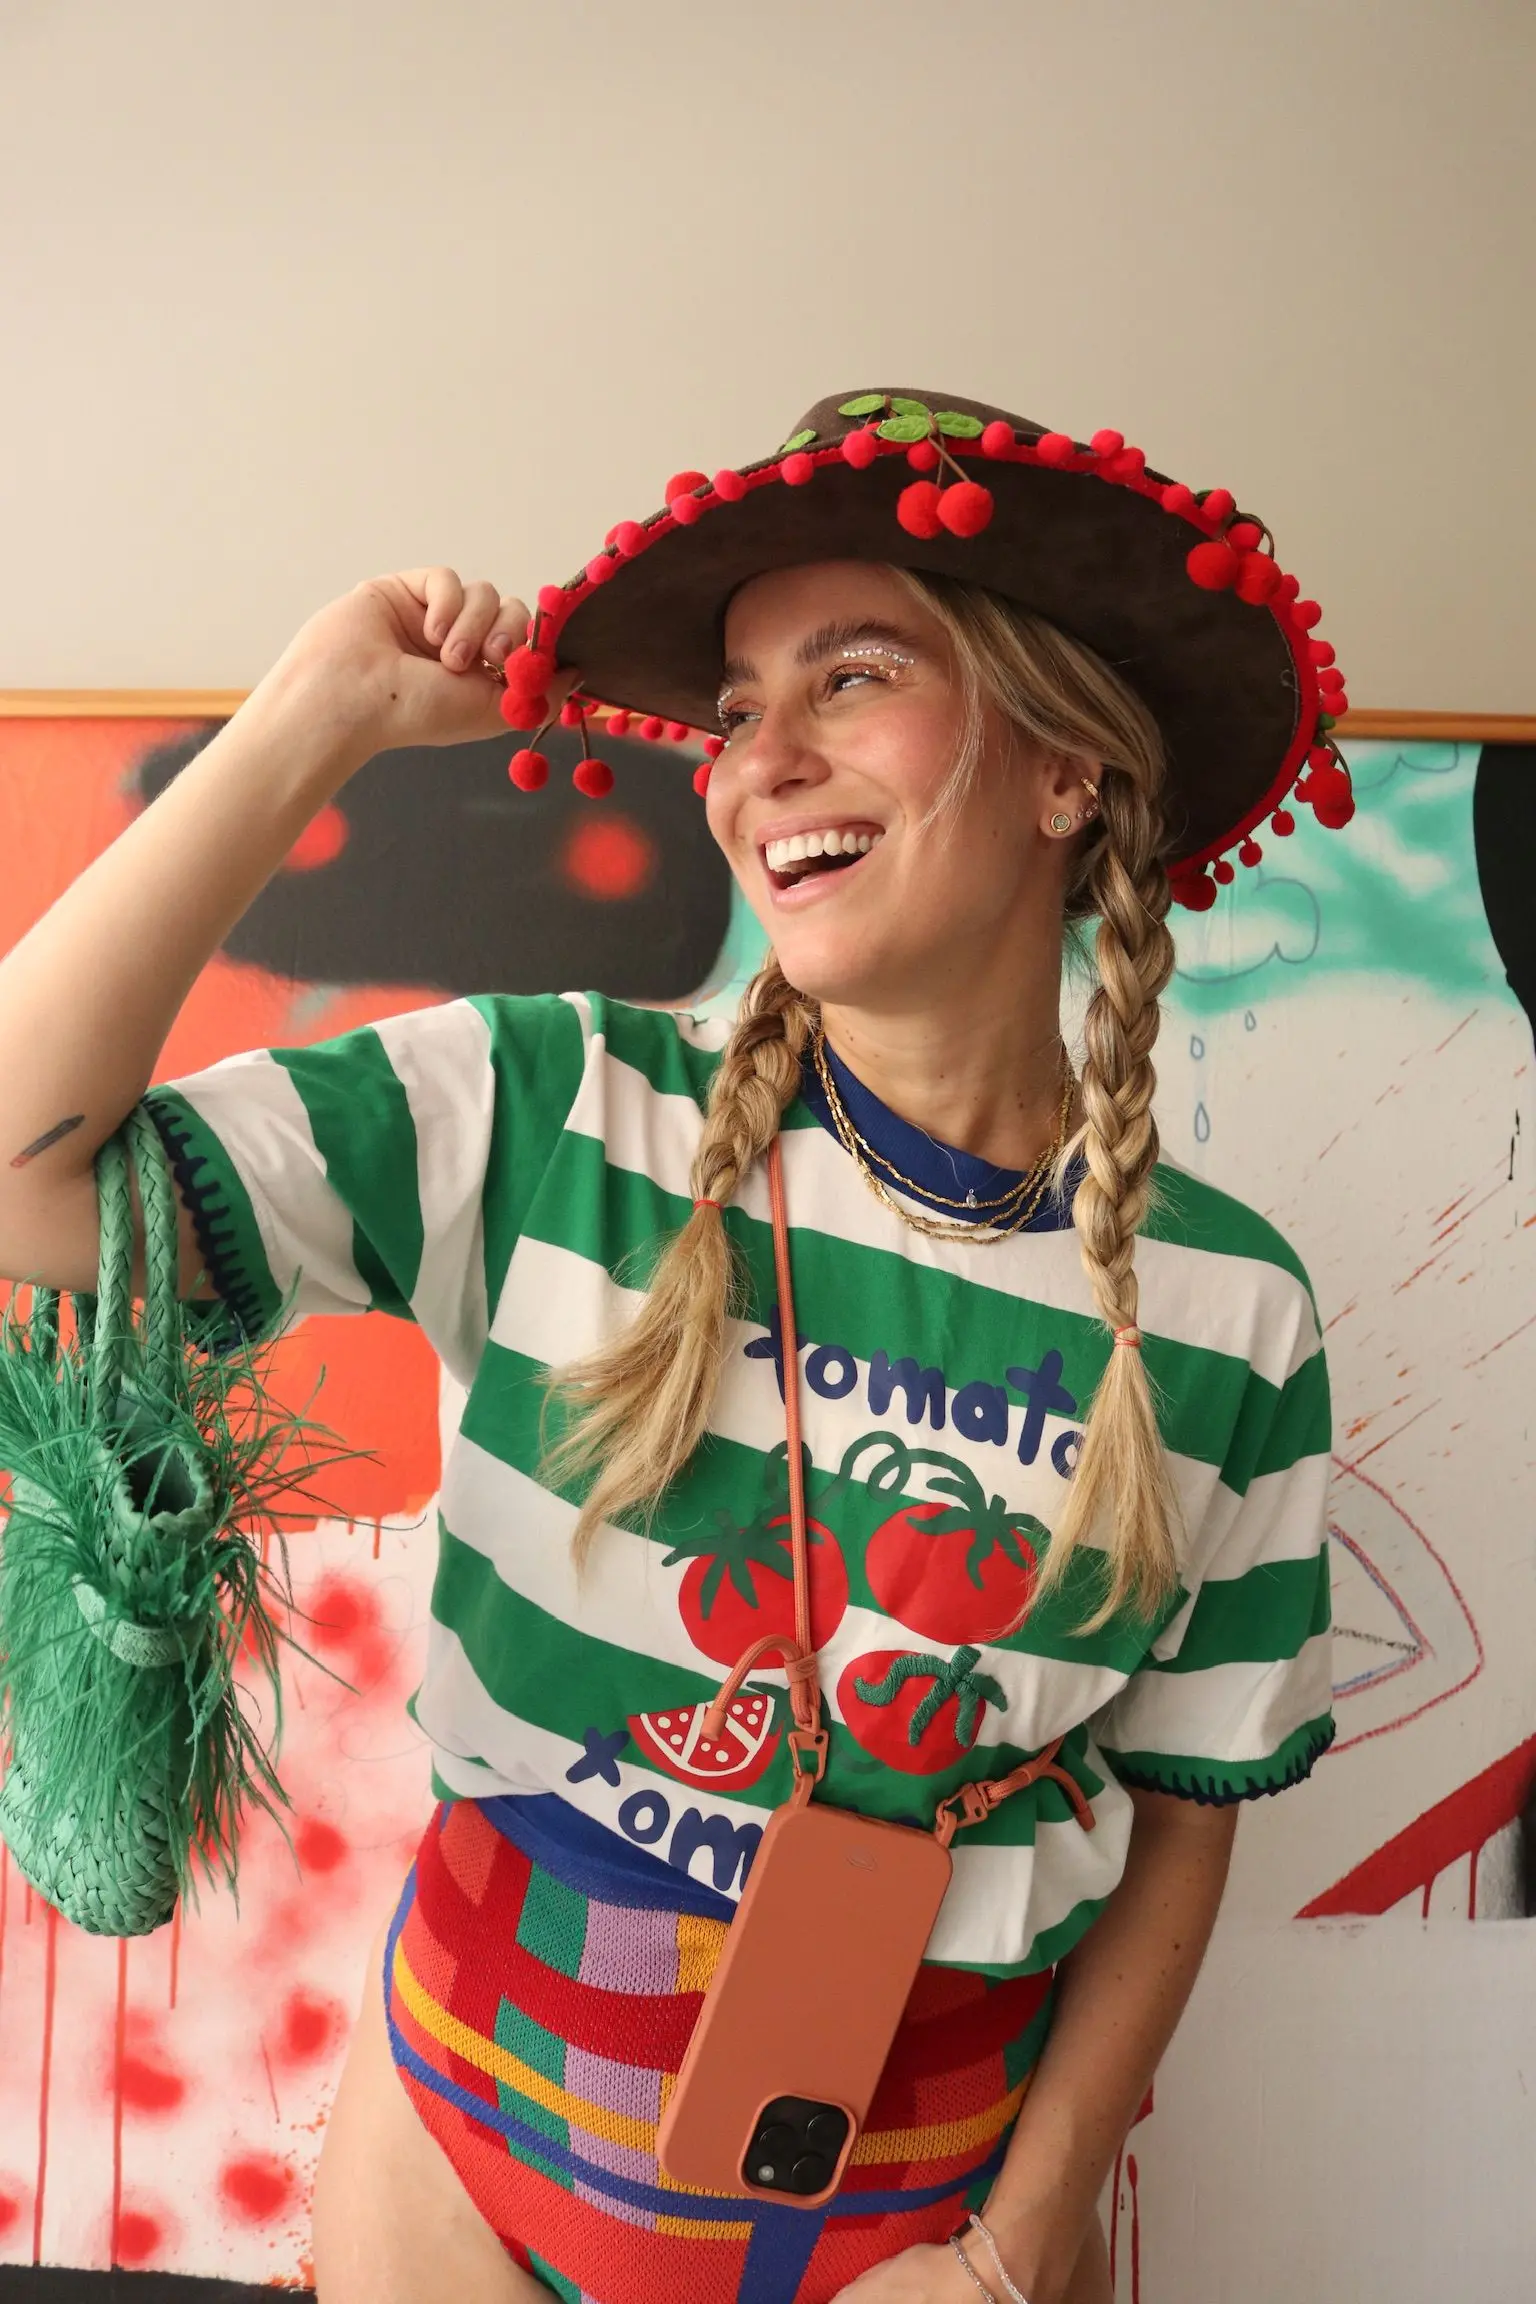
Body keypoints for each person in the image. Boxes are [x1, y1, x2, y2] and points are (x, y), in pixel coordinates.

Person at [0, 389, 1345, 2304]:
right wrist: (319, 713)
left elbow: (1189, 1813)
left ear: (1066, 767)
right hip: (458, 2185)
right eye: (734, 708)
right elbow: (21, 1177)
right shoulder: (550, 1106)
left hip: (923, 2248)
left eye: (851, 678)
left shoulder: (1234, 1313)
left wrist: (1014, 2254)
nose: (756, 763)